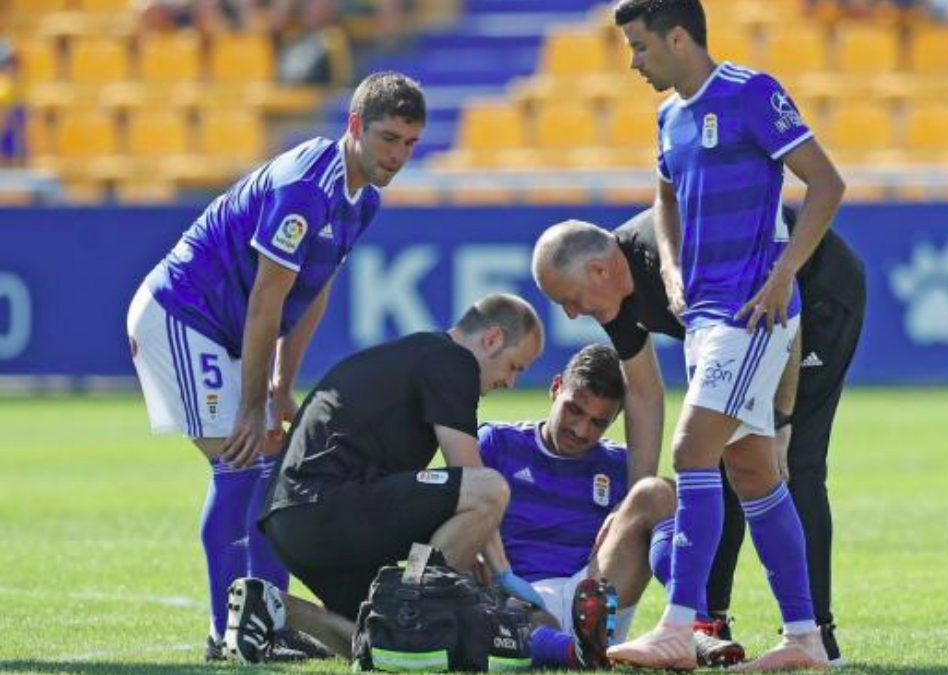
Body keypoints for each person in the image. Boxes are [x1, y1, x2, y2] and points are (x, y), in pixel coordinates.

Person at [125, 70, 425, 660]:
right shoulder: (306, 190)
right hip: (180, 317)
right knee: (246, 462)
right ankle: (228, 632)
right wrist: (251, 401)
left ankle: (265, 619)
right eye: (389, 138)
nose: (399, 155)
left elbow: (313, 292)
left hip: (224, 330)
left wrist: (282, 387)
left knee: (271, 466)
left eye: (411, 144)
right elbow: (267, 299)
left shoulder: (361, 199)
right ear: (356, 126)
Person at [596, 0, 847, 669]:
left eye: (641, 46)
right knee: (754, 470)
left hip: (750, 313)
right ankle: (804, 638)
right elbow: (664, 197)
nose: (634, 61)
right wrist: (672, 267)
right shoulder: (669, 118)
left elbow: (826, 184)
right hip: (705, 319)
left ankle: (680, 622)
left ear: (679, 36)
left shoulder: (750, 93)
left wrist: (783, 273)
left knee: (691, 449)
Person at [533, 204, 864, 665]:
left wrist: (782, 421)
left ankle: (818, 638)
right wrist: (636, 501)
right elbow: (644, 394)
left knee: (793, 467)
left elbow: (785, 310)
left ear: (598, 269)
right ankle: (709, 625)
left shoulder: (683, 258)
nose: (571, 315)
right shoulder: (612, 291)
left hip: (814, 297)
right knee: (716, 458)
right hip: (749, 327)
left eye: (569, 299)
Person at [221, 293, 546, 662]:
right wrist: (503, 574)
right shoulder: (452, 360)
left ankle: (273, 606)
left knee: (384, 646)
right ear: (492, 339)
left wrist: (469, 539)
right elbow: (473, 477)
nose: (512, 381)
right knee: (491, 488)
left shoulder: (417, 353)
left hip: (292, 521)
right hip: (326, 506)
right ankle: (416, 610)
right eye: (515, 366)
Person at [479, 343, 746, 668]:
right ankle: (580, 653)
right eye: (574, 410)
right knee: (521, 617)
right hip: (521, 595)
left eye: (597, 422)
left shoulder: (619, 464)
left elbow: (675, 514)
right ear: (556, 388)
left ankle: (695, 625)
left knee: (656, 492)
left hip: (595, 596)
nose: (580, 430)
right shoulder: (497, 443)